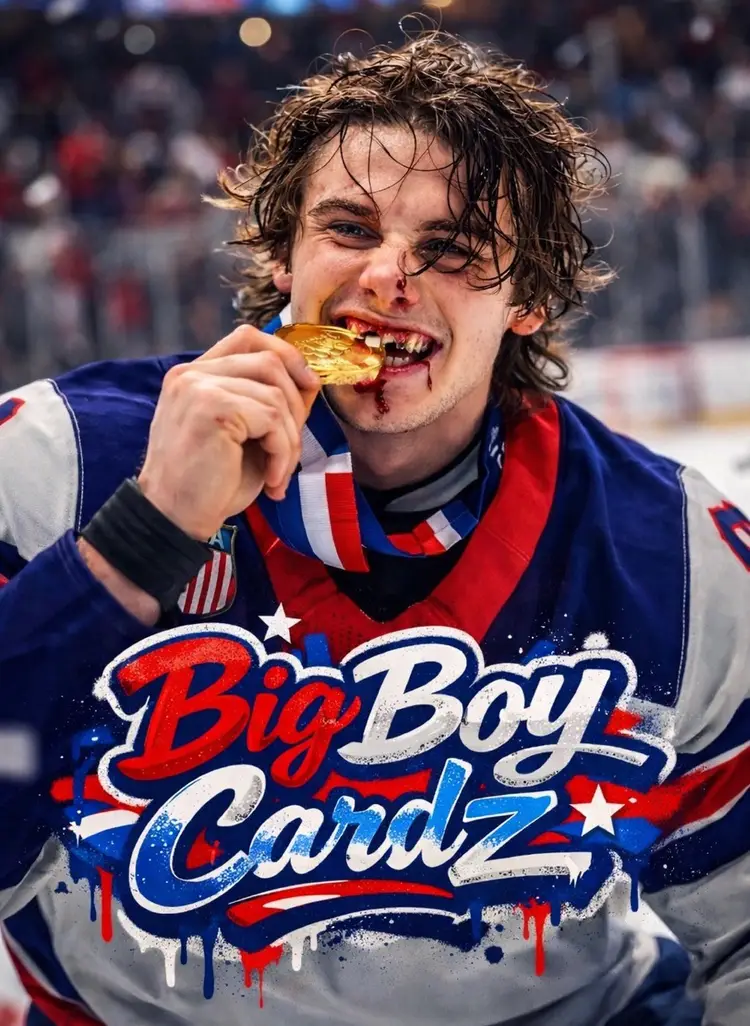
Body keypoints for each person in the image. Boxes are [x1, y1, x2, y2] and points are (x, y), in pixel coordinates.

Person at [0, 30, 747, 1026]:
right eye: (350, 228)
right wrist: (140, 537)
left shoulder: (678, 557)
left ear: (527, 298)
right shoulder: (54, 467)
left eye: (453, 248)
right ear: (283, 253)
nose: (392, 274)